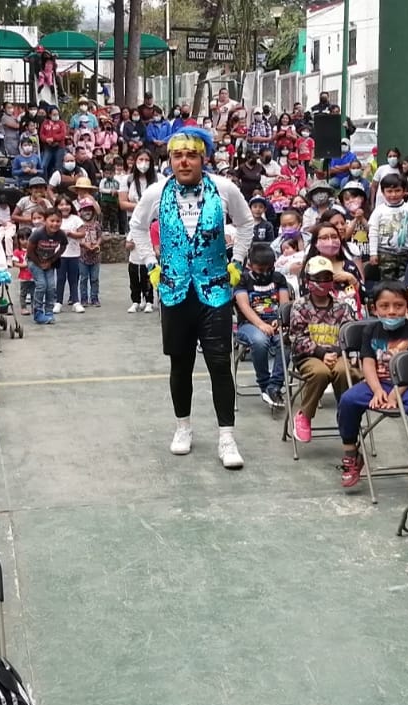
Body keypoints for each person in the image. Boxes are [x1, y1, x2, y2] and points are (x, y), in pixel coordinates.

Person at [127, 127, 253, 469]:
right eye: (178, 155)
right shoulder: (157, 191)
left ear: (203, 158)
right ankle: (183, 426)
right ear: (170, 159)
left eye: (191, 155)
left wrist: (236, 263)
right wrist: (152, 263)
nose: (184, 161)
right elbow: (137, 227)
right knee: (180, 364)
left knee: (218, 365)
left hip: (215, 290)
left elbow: (246, 224)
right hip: (174, 289)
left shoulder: (225, 189)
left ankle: (226, 436)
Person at [336, 281, 408, 488]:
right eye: (385, 306)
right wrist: (378, 390)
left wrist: (395, 395)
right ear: (374, 308)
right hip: (377, 383)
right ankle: (351, 454)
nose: (392, 311)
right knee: (347, 400)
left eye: (398, 306)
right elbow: (368, 363)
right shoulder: (370, 330)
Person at [286, 256, 358, 442]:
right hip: (309, 355)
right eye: (317, 278)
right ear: (307, 281)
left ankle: (346, 414)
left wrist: (334, 352)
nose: (322, 283)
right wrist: (321, 353)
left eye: (327, 278)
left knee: (345, 371)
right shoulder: (300, 306)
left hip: (337, 353)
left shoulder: (342, 307)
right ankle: (305, 415)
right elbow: (297, 338)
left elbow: (350, 334)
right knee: (320, 372)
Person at [233, 243, 289, 407]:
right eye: (260, 269)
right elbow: (244, 306)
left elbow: (285, 304)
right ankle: (264, 385)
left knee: (286, 341)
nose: (265, 273)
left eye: (268, 269)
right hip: (249, 324)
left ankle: (275, 385)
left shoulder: (278, 278)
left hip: (275, 322)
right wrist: (260, 324)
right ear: (250, 265)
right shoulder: (243, 279)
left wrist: (280, 320)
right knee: (260, 341)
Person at [366, 174, 408, 283]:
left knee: (406, 280)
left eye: (397, 190)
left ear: (404, 191)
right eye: (389, 191)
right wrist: (373, 253)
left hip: (406, 253)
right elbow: (373, 232)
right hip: (385, 253)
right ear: (383, 192)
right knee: (387, 281)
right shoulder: (379, 211)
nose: (393, 195)